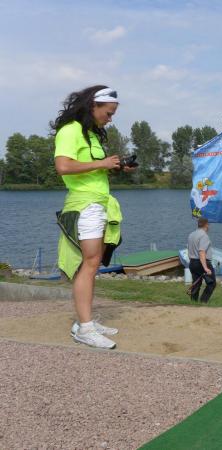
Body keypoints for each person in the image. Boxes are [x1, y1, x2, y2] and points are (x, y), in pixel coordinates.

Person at [53, 85, 134, 350]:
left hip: (98, 203)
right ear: (93, 106)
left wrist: (116, 167)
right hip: (84, 204)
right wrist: (102, 163)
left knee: (93, 263)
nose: (110, 119)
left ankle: (85, 321)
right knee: (88, 263)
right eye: (108, 113)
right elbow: (63, 166)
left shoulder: (90, 135)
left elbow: (89, 169)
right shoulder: (70, 131)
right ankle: (85, 329)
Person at [187, 217, 216, 303]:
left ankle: (193, 302)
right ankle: (203, 301)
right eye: (208, 225)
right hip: (202, 263)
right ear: (206, 225)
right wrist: (206, 268)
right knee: (211, 283)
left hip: (192, 262)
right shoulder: (204, 236)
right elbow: (202, 252)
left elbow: (189, 249)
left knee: (196, 283)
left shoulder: (191, 235)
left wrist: (191, 261)